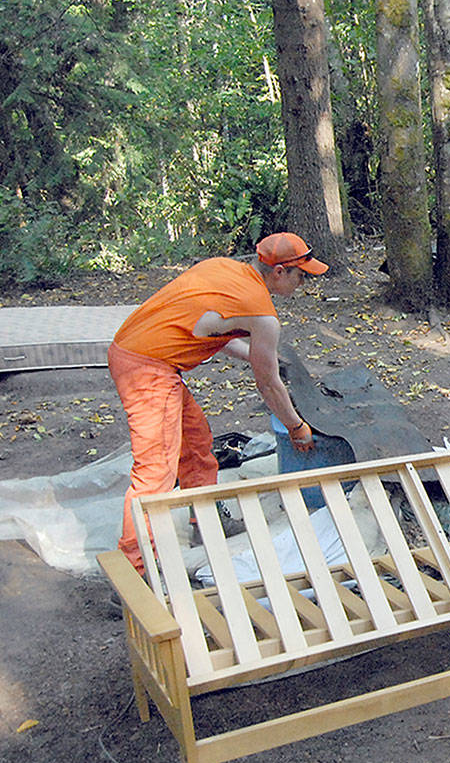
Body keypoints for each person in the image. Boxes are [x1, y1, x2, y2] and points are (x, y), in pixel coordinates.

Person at [109, 232, 328, 573]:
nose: (304, 284)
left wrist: (259, 357)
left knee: (196, 444)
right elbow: (268, 385)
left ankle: (206, 523)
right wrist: (296, 428)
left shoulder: (222, 268)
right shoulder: (263, 314)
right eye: (302, 276)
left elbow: (210, 329)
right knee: (155, 472)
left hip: (136, 350)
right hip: (148, 368)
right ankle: (134, 570)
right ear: (280, 271)